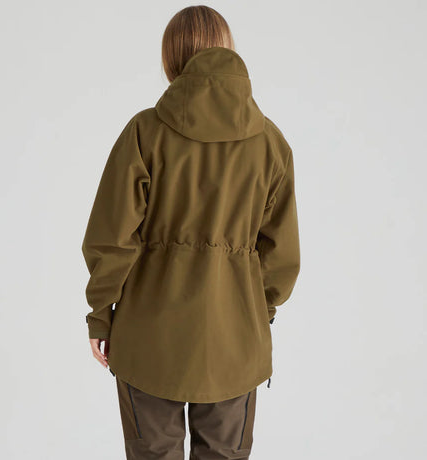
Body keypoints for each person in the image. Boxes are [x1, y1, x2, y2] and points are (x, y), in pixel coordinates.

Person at [81, 5, 300, 459]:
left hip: (147, 336)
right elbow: (280, 254)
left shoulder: (145, 131)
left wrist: (101, 313)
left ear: (171, 57)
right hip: (234, 340)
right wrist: (257, 313)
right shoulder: (270, 142)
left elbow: (111, 238)